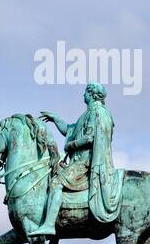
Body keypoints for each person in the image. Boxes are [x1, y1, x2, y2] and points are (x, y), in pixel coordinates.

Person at [34, 83, 123, 234]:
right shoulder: (89, 113)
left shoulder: (97, 113)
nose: (83, 95)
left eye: (85, 93)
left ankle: (49, 225)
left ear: (92, 94)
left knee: (56, 183)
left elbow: (90, 138)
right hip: (81, 160)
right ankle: (54, 241)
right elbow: (70, 129)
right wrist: (56, 119)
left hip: (85, 162)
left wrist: (71, 145)